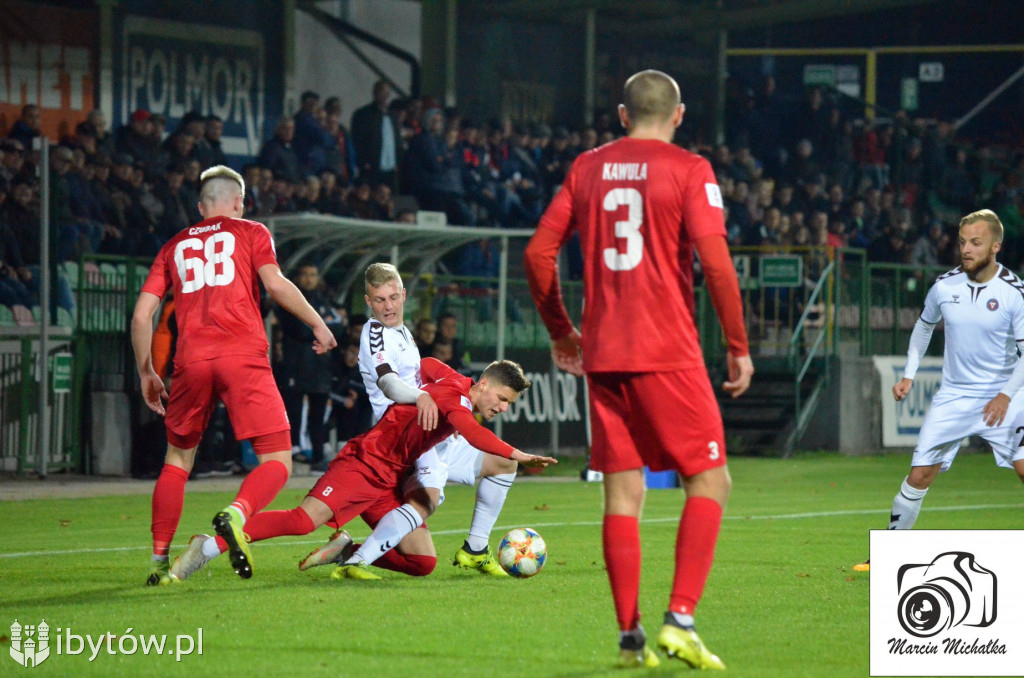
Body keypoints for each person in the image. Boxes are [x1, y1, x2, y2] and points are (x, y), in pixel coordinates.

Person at [523, 69, 754, 670]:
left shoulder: (587, 167)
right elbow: (718, 266)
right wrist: (737, 344)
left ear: (623, 115)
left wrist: (560, 331)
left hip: (603, 353)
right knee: (710, 480)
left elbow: (538, 253)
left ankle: (630, 638)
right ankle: (680, 619)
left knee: (622, 495)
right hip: (667, 350)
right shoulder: (690, 169)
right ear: (678, 116)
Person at [166, 357, 556, 582]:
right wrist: (519, 454)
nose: (503, 407)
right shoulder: (456, 400)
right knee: (304, 521)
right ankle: (208, 546)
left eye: (509, 403)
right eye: (503, 399)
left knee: (423, 563)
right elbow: (472, 434)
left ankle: (346, 550)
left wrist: (411, 383)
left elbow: (426, 364)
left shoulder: (453, 381)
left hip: (391, 478)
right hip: (363, 465)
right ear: (484, 384)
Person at [131, 165, 338, 586]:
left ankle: (157, 562)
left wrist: (147, 371)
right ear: (240, 202)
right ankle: (237, 513)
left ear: (200, 206)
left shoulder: (172, 246)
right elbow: (276, 285)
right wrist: (317, 323)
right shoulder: (251, 232)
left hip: (190, 362)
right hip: (242, 355)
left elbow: (141, 315)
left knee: (177, 460)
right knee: (278, 460)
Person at [299, 263, 525, 576]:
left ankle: (474, 549)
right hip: (404, 436)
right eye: (381, 299)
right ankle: (356, 561)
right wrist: (427, 400)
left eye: (393, 297)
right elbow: (390, 383)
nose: (389, 305)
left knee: (501, 467)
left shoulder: (402, 333)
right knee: (429, 497)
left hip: (431, 431)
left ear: (404, 295)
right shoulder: (375, 333)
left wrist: (448, 398)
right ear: (369, 300)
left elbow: (427, 368)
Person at [854, 209, 1024, 573]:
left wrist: (1006, 395)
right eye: (963, 242)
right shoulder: (944, 286)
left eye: (975, 243)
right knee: (919, 474)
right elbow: (923, 328)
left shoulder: (1014, 292)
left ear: (995, 246)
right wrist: (909, 375)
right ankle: (888, 553)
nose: (966, 249)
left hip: (1006, 394)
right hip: (954, 396)